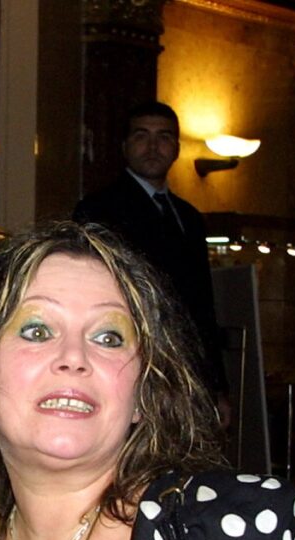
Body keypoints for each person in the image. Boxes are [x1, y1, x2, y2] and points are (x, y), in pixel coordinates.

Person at [0, 221, 295, 540]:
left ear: (141, 396)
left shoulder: (230, 539)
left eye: (108, 338)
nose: (74, 357)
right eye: (37, 330)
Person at [73, 102, 226, 396]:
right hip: (129, 361)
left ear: (177, 149)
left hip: (186, 369)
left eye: (164, 137)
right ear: (125, 146)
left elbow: (203, 304)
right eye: (141, 136)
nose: (153, 147)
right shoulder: (99, 209)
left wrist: (217, 386)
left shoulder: (189, 217)